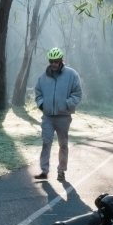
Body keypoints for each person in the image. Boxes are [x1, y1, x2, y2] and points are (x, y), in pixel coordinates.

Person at [33, 47, 82, 181]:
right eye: (51, 61)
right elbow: (37, 93)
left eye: (56, 61)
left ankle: (61, 171)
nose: (54, 64)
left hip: (63, 116)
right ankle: (44, 171)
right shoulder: (43, 77)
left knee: (63, 144)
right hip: (48, 116)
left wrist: (67, 104)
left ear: (61, 61)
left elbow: (77, 94)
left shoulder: (71, 75)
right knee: (46, 142)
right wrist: (42, 104)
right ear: (49, 61)